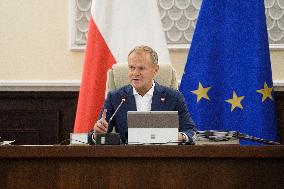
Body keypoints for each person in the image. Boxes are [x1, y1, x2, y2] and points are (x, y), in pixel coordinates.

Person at [88, 45, 196, 144]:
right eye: (131, 67)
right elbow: (95, 135)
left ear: (155, 70)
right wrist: (97, 134)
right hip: (127, 160)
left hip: (163, 159)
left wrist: (178, 136)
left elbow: (191, 131)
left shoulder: (174, 97)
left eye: (141, 68)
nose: (135, 73)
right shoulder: (115, 97)